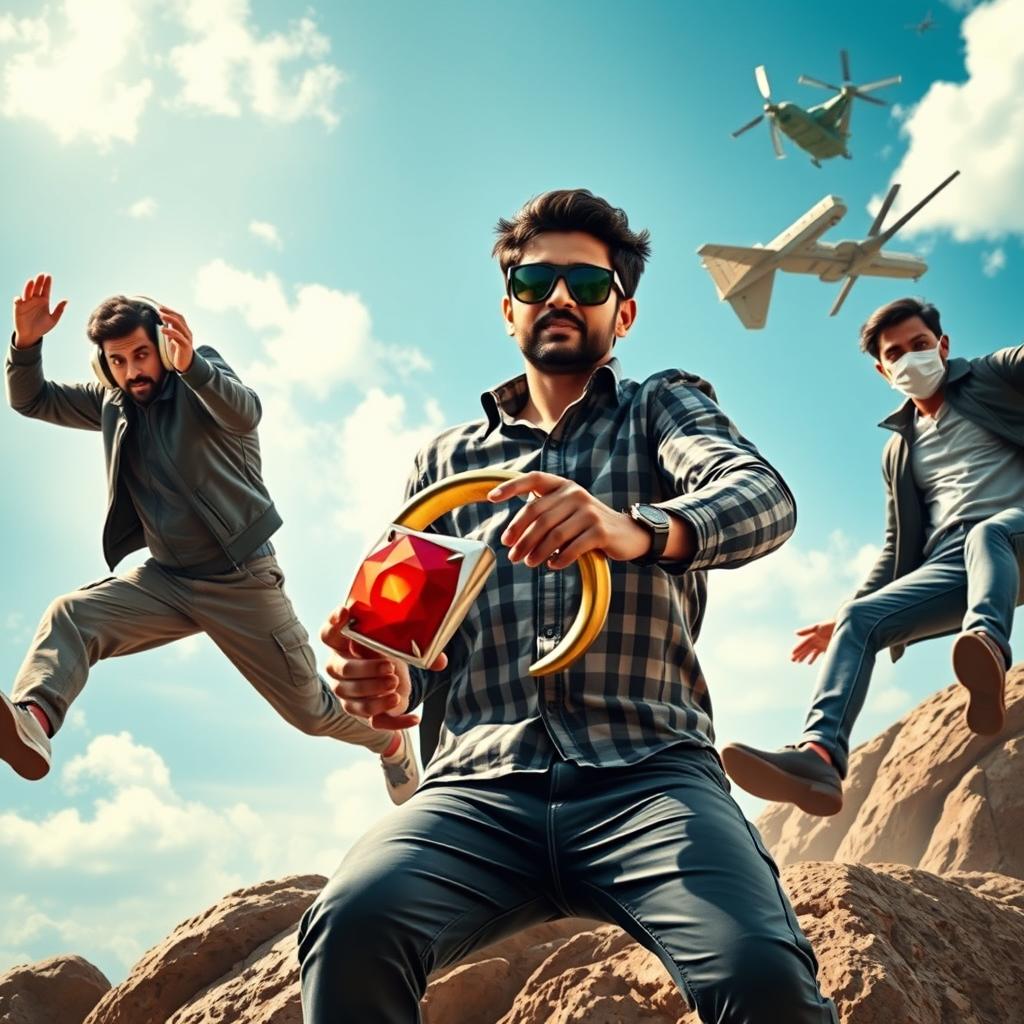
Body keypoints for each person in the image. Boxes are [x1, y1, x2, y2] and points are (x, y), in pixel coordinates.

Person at [297, 189, 838, 1023]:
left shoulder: (660, 405)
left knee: (758, 972)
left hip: (650, 773)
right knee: (349, 924)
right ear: (507, 303)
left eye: (585, 285)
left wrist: (635, 528)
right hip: (477, 785)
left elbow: (763, 497)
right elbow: (412, 652)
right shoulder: (442, 463)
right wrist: (389, 687)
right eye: (535, 279)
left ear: (622, 314)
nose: (557, 297)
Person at [0, 275, 417, 804]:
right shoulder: (113, 401)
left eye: (141, 355)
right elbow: (31, 399)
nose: (133, 371)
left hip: (240, 578)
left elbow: (246, 411)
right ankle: (34, 719)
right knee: (71, 614)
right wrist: (26, 343)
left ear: (163, 343)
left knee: (312, 713)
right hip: (168, 578)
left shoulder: (200, 378)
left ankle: (389, 742)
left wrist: (191, 364)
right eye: (119, 361)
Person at [723, 297, 1022, 817]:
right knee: (862, 620)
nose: (912, 358)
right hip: (957, 567)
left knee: (988, 534)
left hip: (1013, 533)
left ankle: (989, 651)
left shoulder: (992, 375)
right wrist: (843, 616)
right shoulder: (899, 451)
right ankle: (819, 760)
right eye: (897, 354)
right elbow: (894, 549)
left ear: (943, 346)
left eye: (921, 345)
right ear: (883, 370)